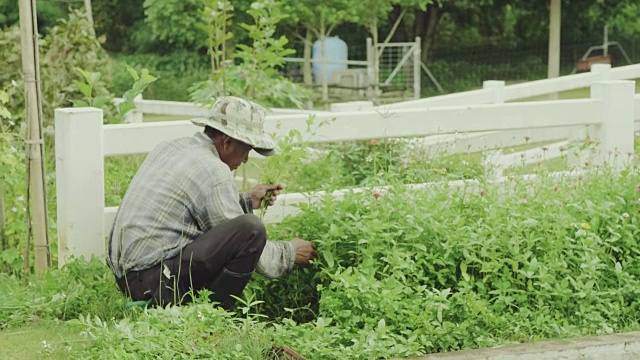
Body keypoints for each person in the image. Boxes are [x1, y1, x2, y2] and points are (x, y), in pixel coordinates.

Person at [107, 96, 317, 310]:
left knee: (244, 229)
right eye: (246, 151)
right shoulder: (214, 170)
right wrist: (290, 253)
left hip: (130, 278)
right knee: (252, 230)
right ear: (227, 143)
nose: (245, 160)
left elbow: (198, 211)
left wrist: (246, 200)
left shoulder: (171, 147)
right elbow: (243, 237)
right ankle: (211, 316)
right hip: (155, 281)